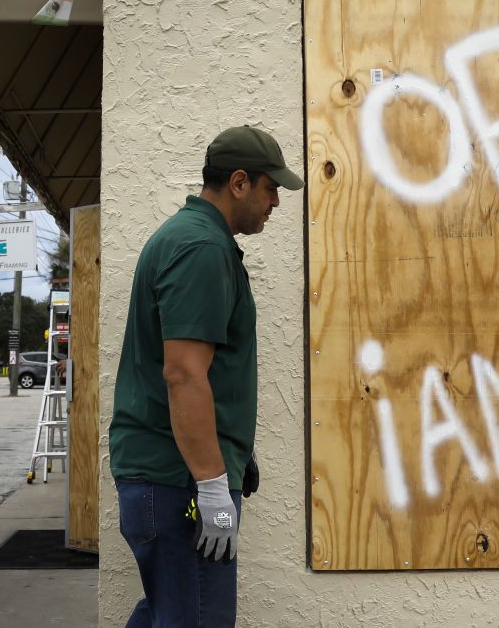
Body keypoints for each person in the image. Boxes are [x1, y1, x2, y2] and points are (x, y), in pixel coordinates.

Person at [109, 125, 303, 627]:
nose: (275, 203)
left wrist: (230, 448)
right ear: (238, 182)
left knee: (169, 613)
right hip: (179, 486)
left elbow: (200, 373)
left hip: (171, 478)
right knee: (197, 618)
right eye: (270, 188)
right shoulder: (201, 248)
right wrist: (213, 485)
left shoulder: (193, 238)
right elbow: (184, 375)